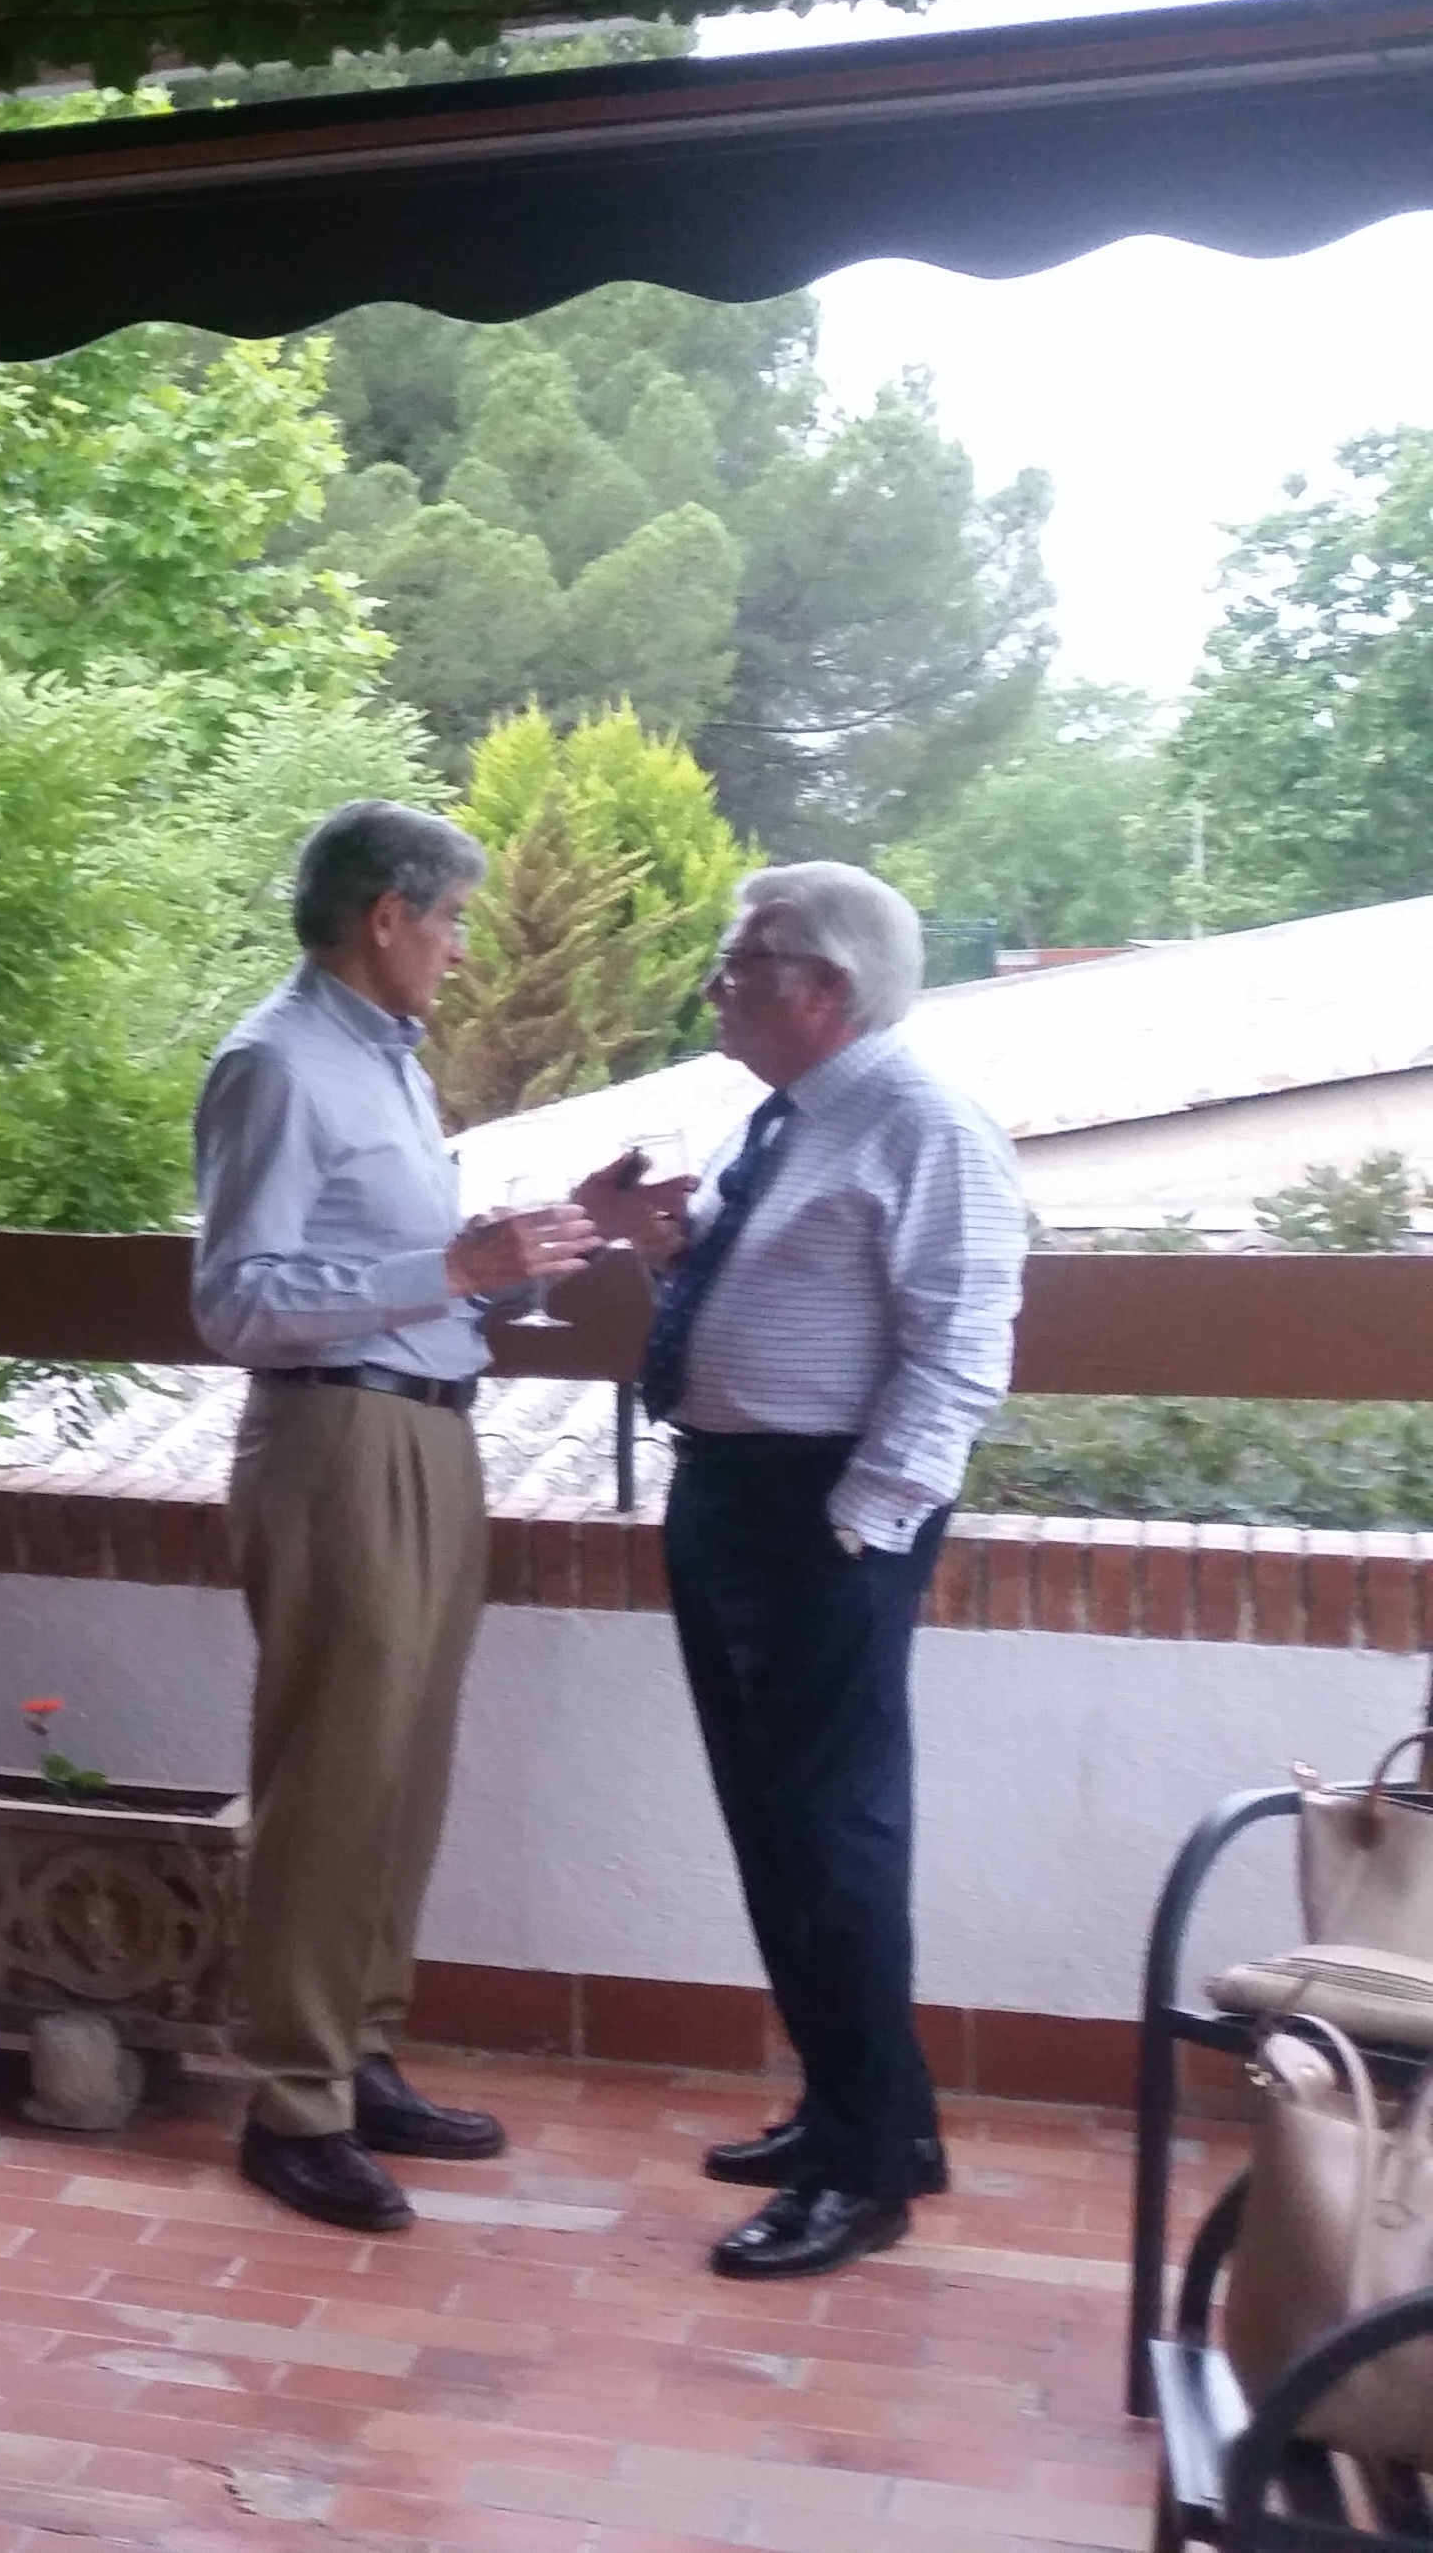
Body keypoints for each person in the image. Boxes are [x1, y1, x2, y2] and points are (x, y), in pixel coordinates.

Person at [188, 800, 664, 2237]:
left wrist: (541, 1249)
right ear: (385, 916)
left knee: (403, 1770)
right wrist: (452, 1264)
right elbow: (236, 1300)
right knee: (334, 1776)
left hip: (426, 1434)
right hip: (336, 1440)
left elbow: (424, 1278)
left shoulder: (385, 1064)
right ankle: (293, 2101)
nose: (463, 950)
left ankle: (359, 2051)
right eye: (451, 919)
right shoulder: (275, 1064)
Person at [636, 862, 1024, 2282]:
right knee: (775, 1828)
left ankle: (865, 2174)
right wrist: (662, 1259)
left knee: (834, 1842)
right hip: (735, 1497)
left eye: (739, 965)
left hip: (823, 1519)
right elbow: (750, 1311)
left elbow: (965, 1344)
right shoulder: (784, 1121)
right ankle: (864, 2116)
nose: (716, 986)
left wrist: (858, 1527)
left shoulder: (925, 1126)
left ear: (825, 989)